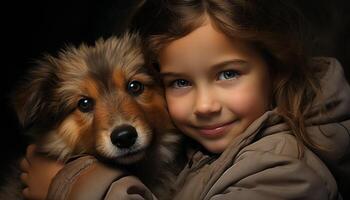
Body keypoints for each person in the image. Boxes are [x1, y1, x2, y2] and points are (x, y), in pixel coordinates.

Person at [20, 0, 350, 199]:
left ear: (275, 67)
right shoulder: (199, 151)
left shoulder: (287, 169)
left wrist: (67, 184)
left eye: (228, 74)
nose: (205, 105)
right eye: (179, 82)